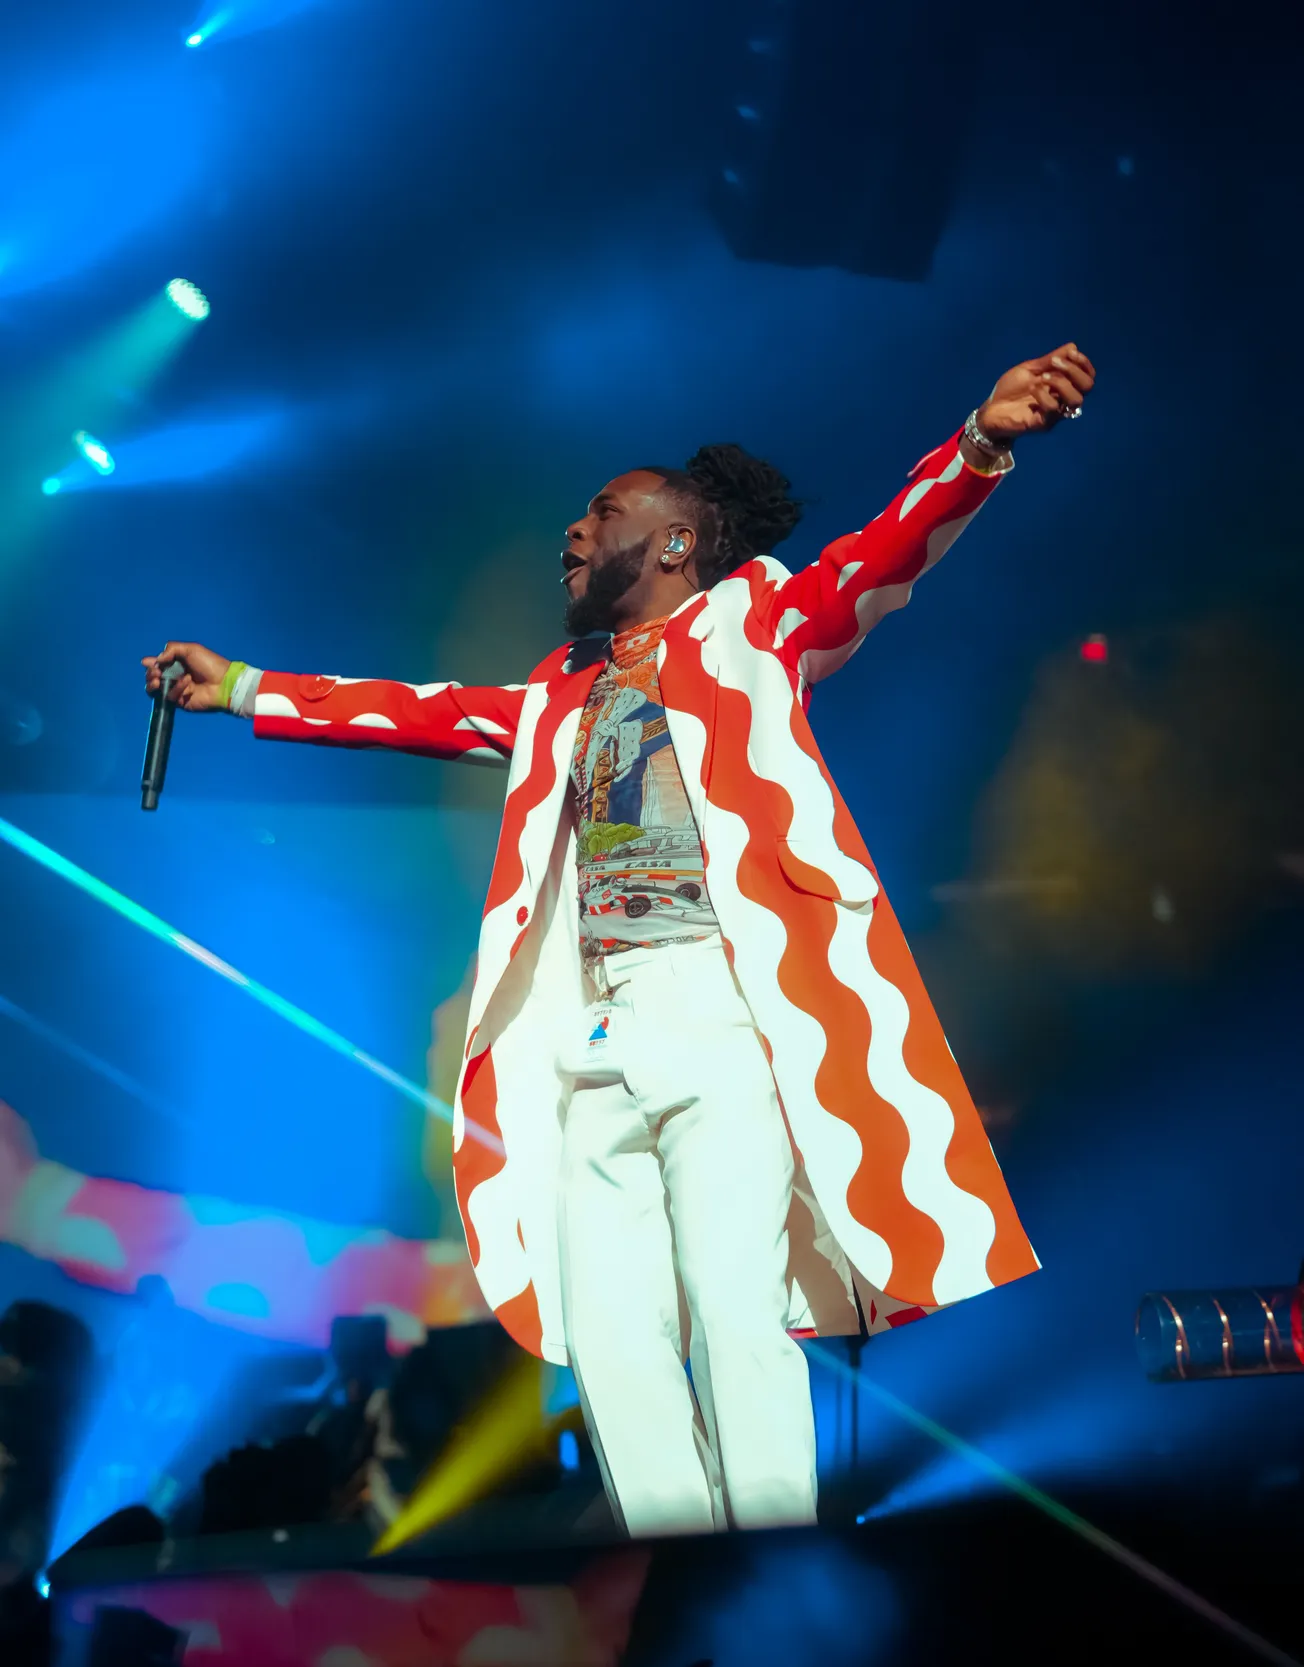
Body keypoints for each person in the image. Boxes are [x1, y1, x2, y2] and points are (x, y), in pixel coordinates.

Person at [144, 345, 1095, 1537]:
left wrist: (977, 444)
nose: (572, 530)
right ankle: (685, 1564)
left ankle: (765, 1568)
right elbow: (421, 709)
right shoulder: (554, 692)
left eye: (601, 513)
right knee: (605, 1326)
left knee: (730, 1305)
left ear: (677, 542)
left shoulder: (756, 623)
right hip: (590, 1029)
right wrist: (240, 686)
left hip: (718, 1009)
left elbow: (880, 553)